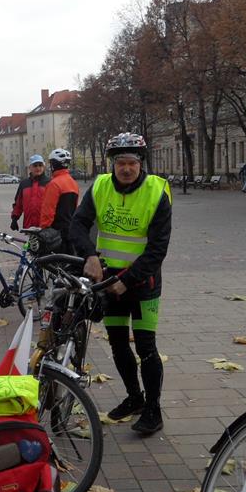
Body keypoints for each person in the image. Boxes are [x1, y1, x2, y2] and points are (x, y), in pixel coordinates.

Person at [70, 133, 172, 435]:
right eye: (120, 163)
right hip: (109, 281)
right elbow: (77, 224)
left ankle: (153, 409)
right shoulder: (100, 186)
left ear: (141, 164)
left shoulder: (157, 191)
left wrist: (127, 280)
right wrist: (89, 255)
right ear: (112, 165)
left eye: (132, 163)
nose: (126, 169)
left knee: (146, 346)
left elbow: (158, 249)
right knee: (117, 343)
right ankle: (134, 397)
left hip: (143, 283)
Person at [39, 148, 80, 252]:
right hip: (70, 230)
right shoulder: (73, 183)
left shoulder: (54, 184)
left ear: (53, 165)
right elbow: (75, 207)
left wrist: (44, 229)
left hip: (56, 233)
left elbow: (48, 210)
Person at [10, 155, 50, 231]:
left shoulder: (49, 183)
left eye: (40, 165)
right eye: (35, 165)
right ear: (30, 168)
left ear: (44, 167)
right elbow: (18, 204)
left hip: (45, 226)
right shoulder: (24, 184)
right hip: (29, 226)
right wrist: (14, 219)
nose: (38, 168)